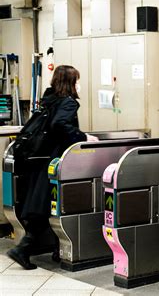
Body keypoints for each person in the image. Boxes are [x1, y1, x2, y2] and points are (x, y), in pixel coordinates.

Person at [7, 65, 98, 270]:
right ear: (70, 83)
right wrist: (83, 137)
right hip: (57, 161)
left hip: (41, 159)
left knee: (48, 204)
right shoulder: (67, 103)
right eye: (77, 80)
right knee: (52, 204)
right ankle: (24, 249)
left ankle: (57, 250)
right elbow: (60, 125)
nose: (79, 85)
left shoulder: (48, 99)